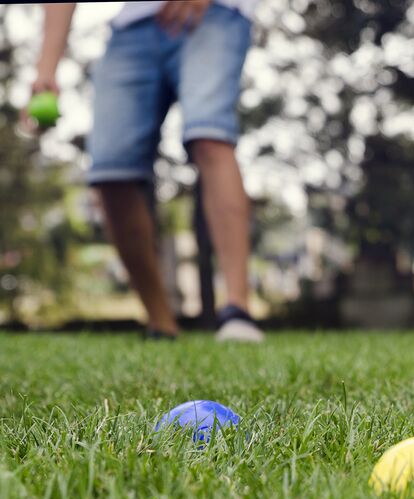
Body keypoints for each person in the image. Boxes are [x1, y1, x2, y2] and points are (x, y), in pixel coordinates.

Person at [29, 0, 264, 342]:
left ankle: (237, 312)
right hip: (131, 27)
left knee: (209, 137)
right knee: (110, 171)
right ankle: (160, 322)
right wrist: (46, 69)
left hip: (214, 13)